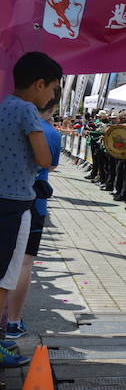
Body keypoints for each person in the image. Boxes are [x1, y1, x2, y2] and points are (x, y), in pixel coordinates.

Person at [0, 52, 58, 367]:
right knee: (4, 277)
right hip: (14, 204)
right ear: (38, 85)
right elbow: (44, 158)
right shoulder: (27, 112)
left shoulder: (3, 105)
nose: (51, 97)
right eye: (52, 90)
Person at [6, 92, 62, 340]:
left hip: (8, 200)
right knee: (24, 263)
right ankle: (13, 321)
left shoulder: (8, 118)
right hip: (33, 202)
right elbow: (49, 164)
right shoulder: (50, 133)